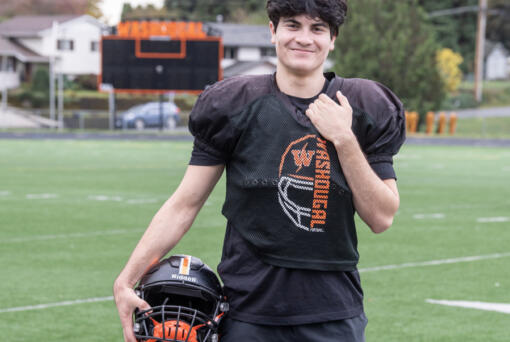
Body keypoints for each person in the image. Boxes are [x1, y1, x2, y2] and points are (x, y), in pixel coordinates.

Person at [113, 0, 406, 341]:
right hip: (248, 311)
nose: (304, 38)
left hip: (333, 312)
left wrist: (344, 138)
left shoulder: (362, 105)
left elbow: (381, 217)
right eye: (292, 25)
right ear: (273, 31)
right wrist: (126, 279)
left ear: (333, 38)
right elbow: (185, 203)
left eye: (317, 28)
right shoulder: (234, 104)